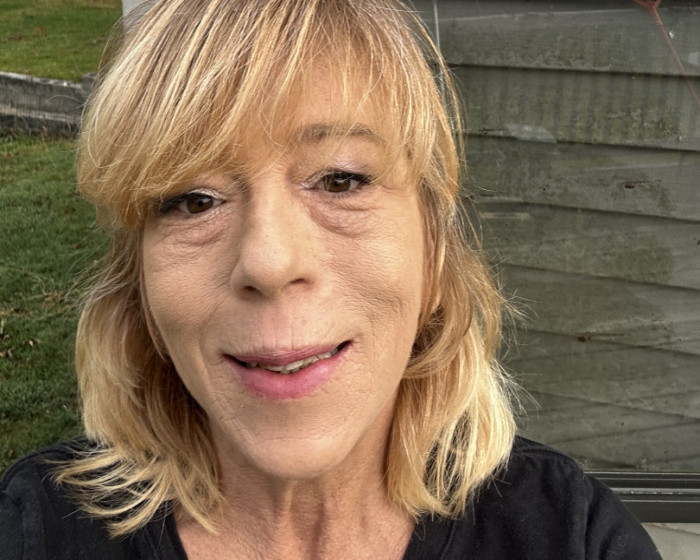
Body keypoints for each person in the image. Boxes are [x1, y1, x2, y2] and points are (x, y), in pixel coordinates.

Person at [0, 1, 661, 558]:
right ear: (141, 284)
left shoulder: (571, 536)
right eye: (193, 200)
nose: (269, 261)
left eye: (341, 180)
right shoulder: (33, 529)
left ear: (435, 253)